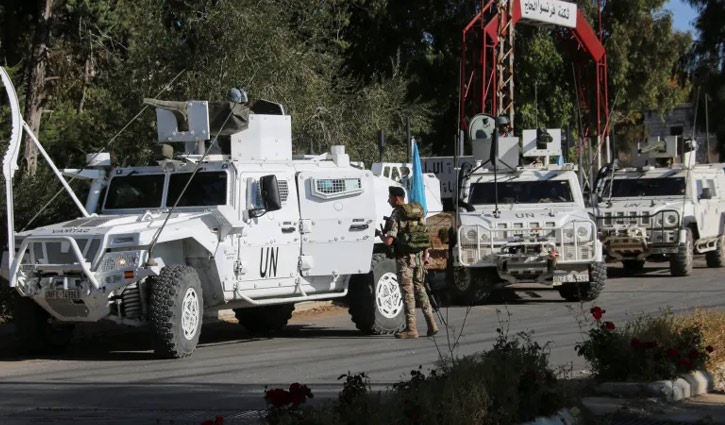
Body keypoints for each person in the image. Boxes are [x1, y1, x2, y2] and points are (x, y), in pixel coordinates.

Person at [379, 186, 438, 339]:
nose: (388, 200)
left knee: (407, 293)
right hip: (419, 258)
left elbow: (389, 241)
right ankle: (432, 324)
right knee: (421, 290)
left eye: (390, 197)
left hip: (405, 260)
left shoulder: (397, 214)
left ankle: (411, 328)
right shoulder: (417, 212)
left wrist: (380, 235)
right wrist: (425, 256)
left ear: (396, 198)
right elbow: (424, 236)